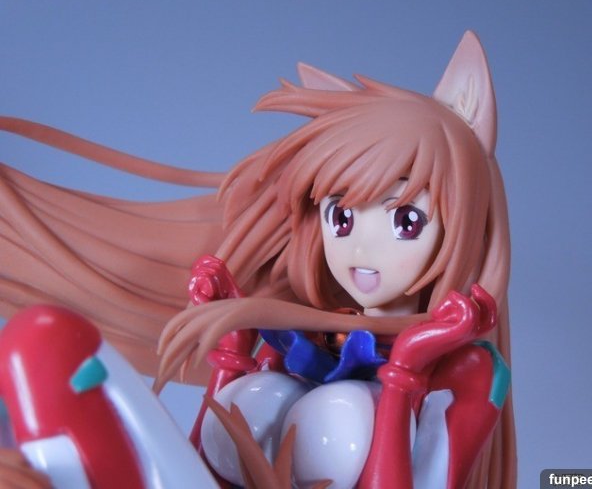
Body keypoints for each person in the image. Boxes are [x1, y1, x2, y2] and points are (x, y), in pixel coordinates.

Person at [0, 31, 515, 488]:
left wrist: (404, 370)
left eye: (406, 221)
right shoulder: (301, 339)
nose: (362, 248)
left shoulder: (468, 370)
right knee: (43, 346)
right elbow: (204, 469)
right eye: (341, 218)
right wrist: (234, 351)